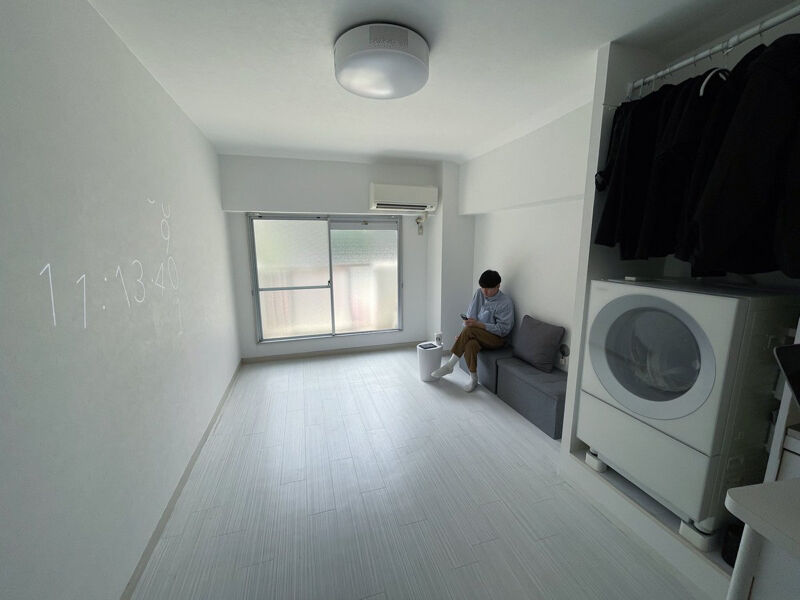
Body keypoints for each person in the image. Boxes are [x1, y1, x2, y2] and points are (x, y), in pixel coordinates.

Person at [431, 269, 514, 392]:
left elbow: (503, 330)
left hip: (497, 339)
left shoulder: (505, 303)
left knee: (470, 330)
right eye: (482, 288)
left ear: (498, 286)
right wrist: (463, 336)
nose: (485, 292)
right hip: (476, 334)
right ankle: (473, 379)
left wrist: (479, 325)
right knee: (470, 344)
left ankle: (450, 365)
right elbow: (470, 317)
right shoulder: (479, 293)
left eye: (488, 288)